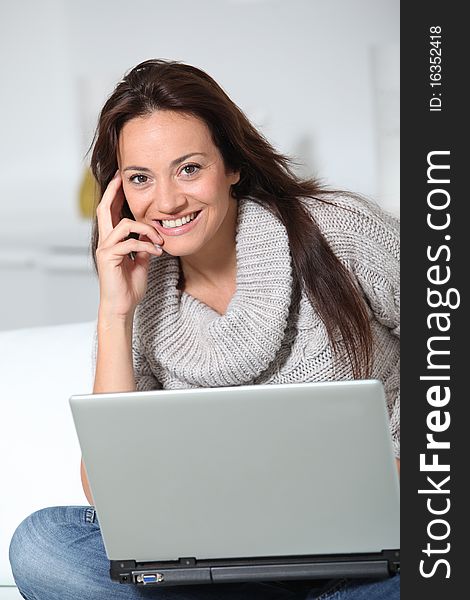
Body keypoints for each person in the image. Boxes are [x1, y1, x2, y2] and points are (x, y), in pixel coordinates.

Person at [9, 59, 400, 599]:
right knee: (42, 544)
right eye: (140, 178)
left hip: (380, 545)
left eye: (189, 168)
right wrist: (115, 311)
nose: (167, 201)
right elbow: (109, 493)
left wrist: (404, 464)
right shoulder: (137, 297)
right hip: (226, 562)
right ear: (117, 194)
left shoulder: (337, 230)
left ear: (231, 165)